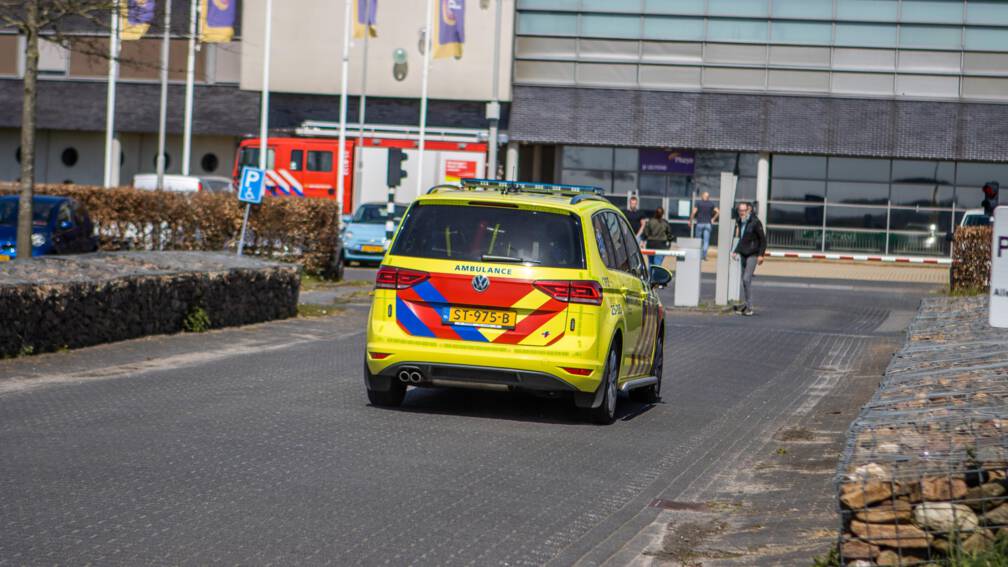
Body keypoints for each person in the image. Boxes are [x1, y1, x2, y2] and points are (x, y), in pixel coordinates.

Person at [730, 202, 766, 316]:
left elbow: (763, 240)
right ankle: (747, 304)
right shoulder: (740, 221)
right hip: (743, 254)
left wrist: (761, 255)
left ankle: (749, 308)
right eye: (740, 210)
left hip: (753, 254)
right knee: (745, 282)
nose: (741, 212)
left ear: (748, 210)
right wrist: (736, 251)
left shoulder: (755, 222)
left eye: (744, 210)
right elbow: (742, 238)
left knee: (746, 279)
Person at [690, 192, 719, 260]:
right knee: (706, 241)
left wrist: (690, 221)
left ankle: (698, 255)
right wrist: (713, 219)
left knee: (698, 240)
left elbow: (693, 212)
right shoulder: (711, 204)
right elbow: (718, 211)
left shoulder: (698, 203)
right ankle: (704, 256)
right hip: (708, 224)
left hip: (700, 223)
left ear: (703, 196)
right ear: (708, 197)